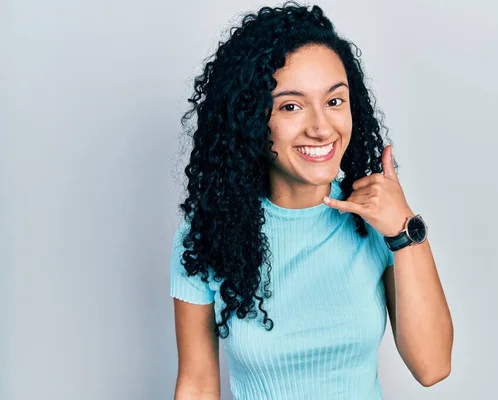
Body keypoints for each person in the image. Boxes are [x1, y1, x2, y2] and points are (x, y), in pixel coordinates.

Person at [169, 2, 453, 399]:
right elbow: (197, 384)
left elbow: (433, 366)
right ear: (250, 118)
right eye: (291, 106)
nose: (321, 128)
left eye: (334, 101)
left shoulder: (377, 222)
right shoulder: (208, 233)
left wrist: (405, 231)